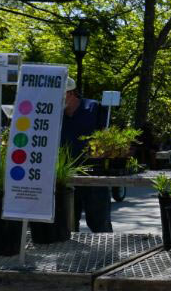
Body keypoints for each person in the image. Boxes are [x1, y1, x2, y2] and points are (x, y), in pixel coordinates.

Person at [60, 77, 113, 232]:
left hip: (94, 173)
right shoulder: (55, 113)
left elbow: (107, 135)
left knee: (99, 222)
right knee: (68, 223)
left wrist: (101, 149)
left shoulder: (93, 107)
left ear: (70, 93)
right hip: (66, 173)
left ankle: (107, 254)